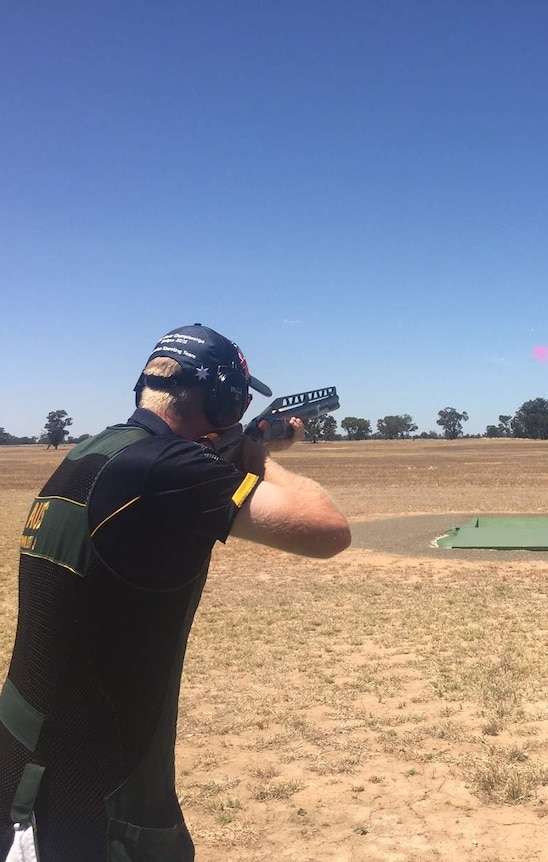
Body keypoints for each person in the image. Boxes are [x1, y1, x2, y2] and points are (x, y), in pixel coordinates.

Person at [0, 324, 350, 862]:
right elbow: (329, 529)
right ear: (225, 398)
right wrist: (257, 453)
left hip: (31, 769)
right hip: (88, 805)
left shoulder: (99, 453)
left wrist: (236, 446)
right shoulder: (165, 471)